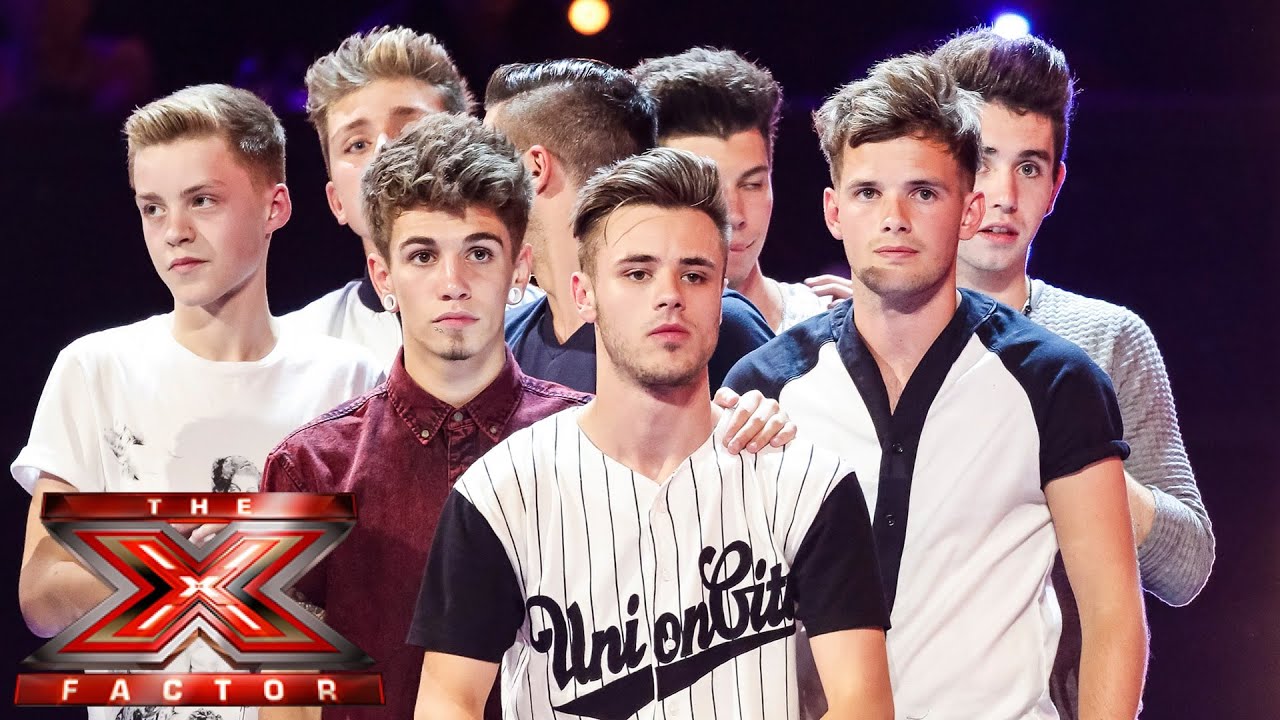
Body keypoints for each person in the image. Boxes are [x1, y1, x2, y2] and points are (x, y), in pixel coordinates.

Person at [259, 116, 796, 720]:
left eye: (479, 253)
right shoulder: (308, 467)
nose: (453, 283)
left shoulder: (600, 440)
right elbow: (285, 700)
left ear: (520, 267)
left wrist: (743, 423)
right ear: (383, 275)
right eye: (423, 255)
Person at [726, 54, 1147, 719]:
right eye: (868, 193)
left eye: (923, 192)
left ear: (969, 209)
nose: (894, 217)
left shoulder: (1054, 381)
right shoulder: (766, 387)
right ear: (834, 210)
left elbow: (1113, 616)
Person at [410, 148, 894, 720]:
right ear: (585, 294)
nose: (670, 295)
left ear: (721, 299)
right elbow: (449, 700)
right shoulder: (499, 491)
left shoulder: (809, 484)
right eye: (637, 273)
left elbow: (863, 704)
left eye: (694, 274)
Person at [12, 83, 382, 720]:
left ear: (274, 206)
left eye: (202, 201)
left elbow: (387, 591)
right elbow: (41, 595)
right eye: (152, 208)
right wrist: (184, 571)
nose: (175, 232)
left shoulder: (353, 380)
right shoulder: (95, 369)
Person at [933, 28, 1214, 717]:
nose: (1003, 195)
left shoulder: (1108, 340)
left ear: (1056, 185)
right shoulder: (859, 336)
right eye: (982, 161)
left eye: (1029, 168)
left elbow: (1189, 564)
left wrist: (1083, 461)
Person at [489, 59, 775, 395]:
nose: (476, 186)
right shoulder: (503, 341)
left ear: (534, 169)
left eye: (488, 161)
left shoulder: (705, 324)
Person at [282, 26, 542, 368]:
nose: (384, 153)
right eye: (357, 144)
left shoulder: (547, 326)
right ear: (336, 201)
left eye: (409, 130)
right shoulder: (299, 349)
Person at [632, 47, 830, 331]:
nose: (734, 215)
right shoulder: (611, 339)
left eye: (752, 185)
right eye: (707, 189)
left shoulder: (828, 328)